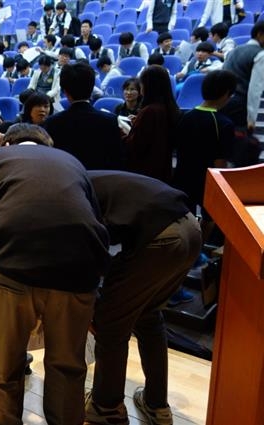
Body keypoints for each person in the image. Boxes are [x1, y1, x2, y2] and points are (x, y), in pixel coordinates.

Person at [0, 123, 110, 425]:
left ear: (7, 143)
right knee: (67, 367)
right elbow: (95, 221)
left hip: (10, 268)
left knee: (7, 365)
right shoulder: (72, 162)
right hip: (76, 272)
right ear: (48, 146)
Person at [84, 170, 201, 425]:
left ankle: (106, 408)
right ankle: (157, 406)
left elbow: (86, 255)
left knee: (109, 325)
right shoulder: (83, 179)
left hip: (159, 238)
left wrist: (93, 307)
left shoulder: (69, 196)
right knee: (148, 316)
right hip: (191, 228)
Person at [173, 70, 236, 240]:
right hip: (206, 181)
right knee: (211, 217)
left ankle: (187, 248)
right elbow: (220, 162)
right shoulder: (223, 124)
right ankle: (198, 248)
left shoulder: (185, 116)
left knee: (186, 219)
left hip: (182, 176)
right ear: (226, 93)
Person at [43, 61, 124, 170]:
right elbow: (117, 161)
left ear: (65, 91)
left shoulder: (52, 122)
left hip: (67, 177)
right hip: (102, 178)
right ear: (92, 88)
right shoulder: (110, 121)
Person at [124, 65, 180, 183]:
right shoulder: (170, 108)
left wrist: (120, 132)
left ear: (149, 86)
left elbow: (135, 146)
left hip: (146, 173)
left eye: (142, 84)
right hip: (162, 170)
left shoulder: (149, 111)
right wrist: (139, 123)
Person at [221, 21, 264, 135]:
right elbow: (255, 90)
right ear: (260, 34)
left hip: (223, 102)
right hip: (241, 106)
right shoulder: (261, 54)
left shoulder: (233, 51)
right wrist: (252, 119)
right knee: (240, 143)